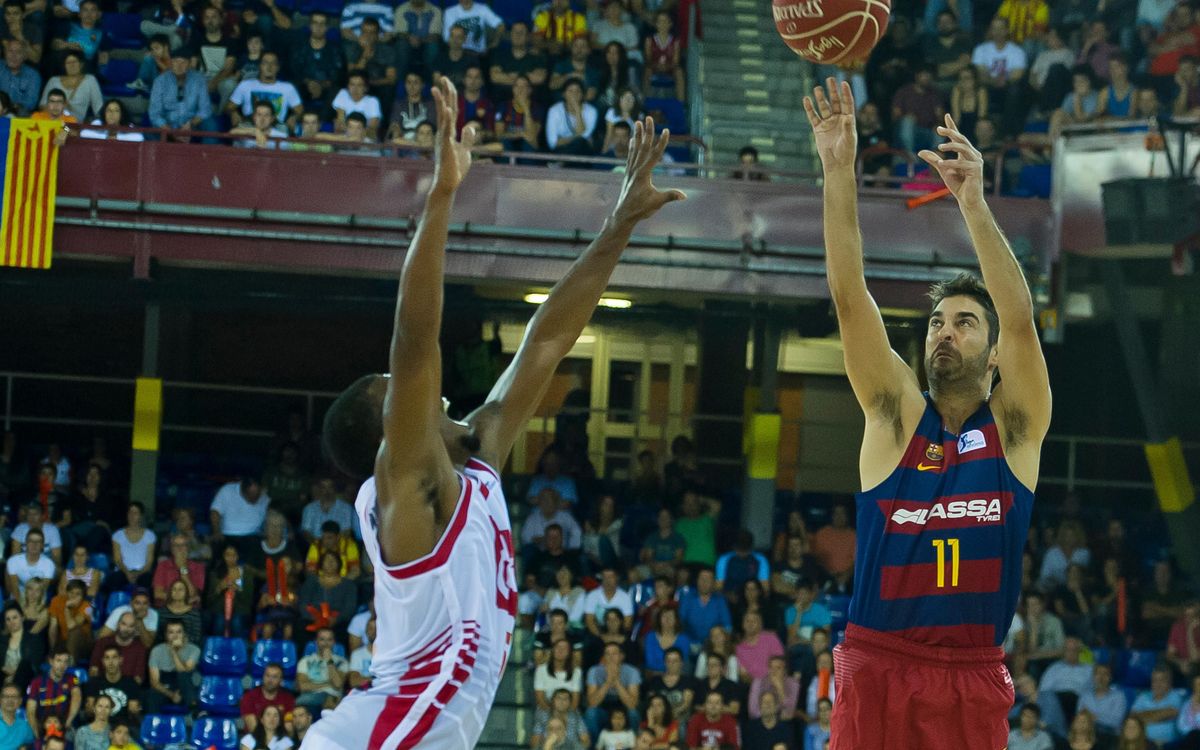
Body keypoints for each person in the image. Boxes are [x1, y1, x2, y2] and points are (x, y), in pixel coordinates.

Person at [305, 79, 680, 749]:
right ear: (390, 427)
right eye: (395, 391)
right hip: (383, 734)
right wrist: (441, 197)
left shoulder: (478, 454)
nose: (419, 390)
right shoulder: (408, 483)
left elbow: (548, 339)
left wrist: (619, 225)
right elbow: (414, 342)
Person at [802, 78, 1051, 749]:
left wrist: (972, 202)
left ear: (993, 355)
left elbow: (1020, 320)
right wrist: (837, 170)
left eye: (965, 323)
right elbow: (849, 296)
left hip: (971, 673)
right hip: (878, 663)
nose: (945, 331)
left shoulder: (1015, 430)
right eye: (938, 322)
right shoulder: (895, 418)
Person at [25, 648, 80, 738]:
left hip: (64, 726)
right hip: (43, 727)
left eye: (66, 662)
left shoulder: (72, 678)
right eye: (59, 661)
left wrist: (67, 723)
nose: (62, 665)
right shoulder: (37, 682)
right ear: (51, 661)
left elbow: (77, 697)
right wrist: (38, 736)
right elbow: (30, 711)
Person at [295, 627, 348, 712]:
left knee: (332, 701)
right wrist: (327, 684)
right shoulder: (305, 661)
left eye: (329, 640)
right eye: (322, 639)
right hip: (311, 698)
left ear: (334, 642)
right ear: (316, 641)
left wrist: (329, 661)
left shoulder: (342, 662)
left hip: (333, 699)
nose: (326, 643)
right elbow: (303, 686)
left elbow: (337, 684)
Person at [83, 646, 142, 719]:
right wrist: (89, 709)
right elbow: (89, 714)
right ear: (103, 661)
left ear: (120, 660)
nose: (111, 662)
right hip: (100, 723)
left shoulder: (131, 684)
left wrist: (134, 711)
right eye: (107, 658)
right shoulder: (94, 683)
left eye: (114, 657)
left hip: (123, 724)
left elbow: (134, 716)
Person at [109, 503, 157, 592]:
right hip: (123, 571)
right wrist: (127, 573)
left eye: (135, 513)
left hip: (142, 572)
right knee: (115, 580)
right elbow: (117, 560)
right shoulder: (118, 535)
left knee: (148, 580)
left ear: (141, 516)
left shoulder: (150, 535)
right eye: (130, 512)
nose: (132, 516)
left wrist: (138, 573)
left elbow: (149, 562)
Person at [88, 613, 148, 683]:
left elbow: (138, 678)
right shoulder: (102, 643)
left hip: (127, 687)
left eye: (131, 626)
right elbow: (93, 670)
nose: (126, 629)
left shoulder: (140, 648)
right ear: (118, 624)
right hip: (103, 685)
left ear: (135, 629)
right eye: (124, 624)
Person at [241, 663, 295, 735]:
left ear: (281, 680)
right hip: (255, 737)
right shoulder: (250, 696)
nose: (270, 680)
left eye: (274, 677)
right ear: (263, 677)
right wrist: (267, 740)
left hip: (279, 737)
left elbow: (288, 725)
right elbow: (252, 726)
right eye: (267, 675)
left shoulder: (288, 698)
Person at [46, 578, 92, 663]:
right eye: (71, 592)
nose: (73, 596)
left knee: (74, 631)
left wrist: (67, 608)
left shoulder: (88, 607)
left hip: (83, 644)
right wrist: (53, 649)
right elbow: (53, 626)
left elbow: (71, 626)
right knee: (52, 631)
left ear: (83, 596)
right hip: (64, 641)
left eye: (78, 594)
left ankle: (70, 665)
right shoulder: (56, 601)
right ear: (67, 593)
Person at [5, 529, 55, 600]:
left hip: (37, 599)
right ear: (26, 543)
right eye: (31, 541)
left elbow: (42, 590)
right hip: (17, 599)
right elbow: (15, 589)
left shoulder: (49, 564)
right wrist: (21, 605)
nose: (34, 544)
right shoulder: (13, 561)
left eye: (38, 541)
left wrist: (32, 605)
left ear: (42, 545)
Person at [0, 684, 33, 749]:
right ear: (0, 700)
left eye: (14, 697)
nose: (10, 700)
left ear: (20, 701)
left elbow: (30, 744)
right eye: (6, 696)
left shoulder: (25, 726)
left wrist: (25, 747)